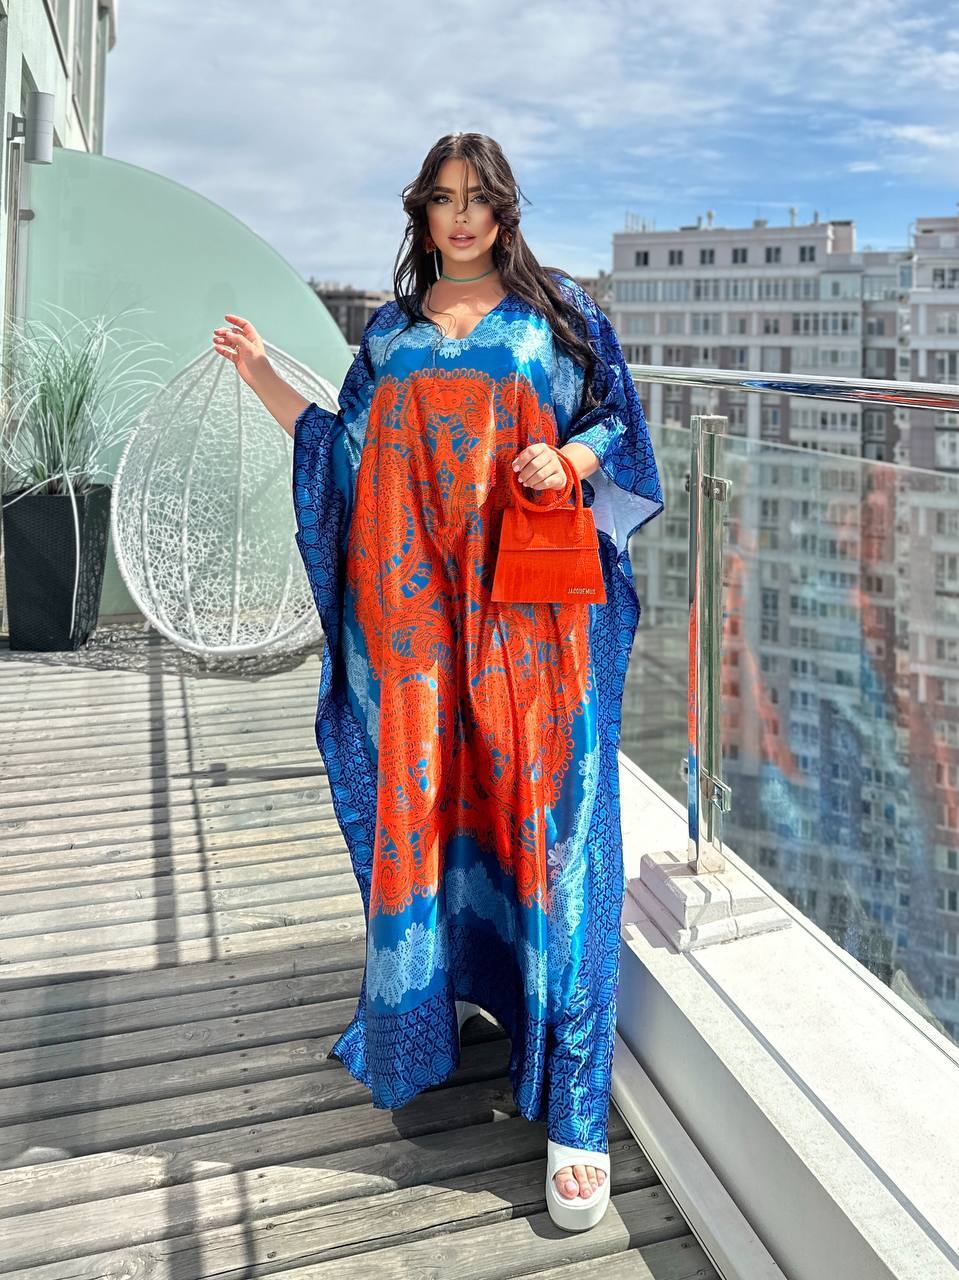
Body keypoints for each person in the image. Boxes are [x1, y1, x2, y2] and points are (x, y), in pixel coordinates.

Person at [212, 131, 664, 1232]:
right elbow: (342, 456)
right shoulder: (391, 333)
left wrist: (569, 458)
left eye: (479, 199)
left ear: (505, 211)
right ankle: (439, 1004)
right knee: (429, 816)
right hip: (417, 633)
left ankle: (574, 1108)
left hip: (534, 626)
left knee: (555, 837)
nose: (462, 217)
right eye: (443, 200)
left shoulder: (558, 313)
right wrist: (262, 371)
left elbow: (618, 421)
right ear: (421, 213)